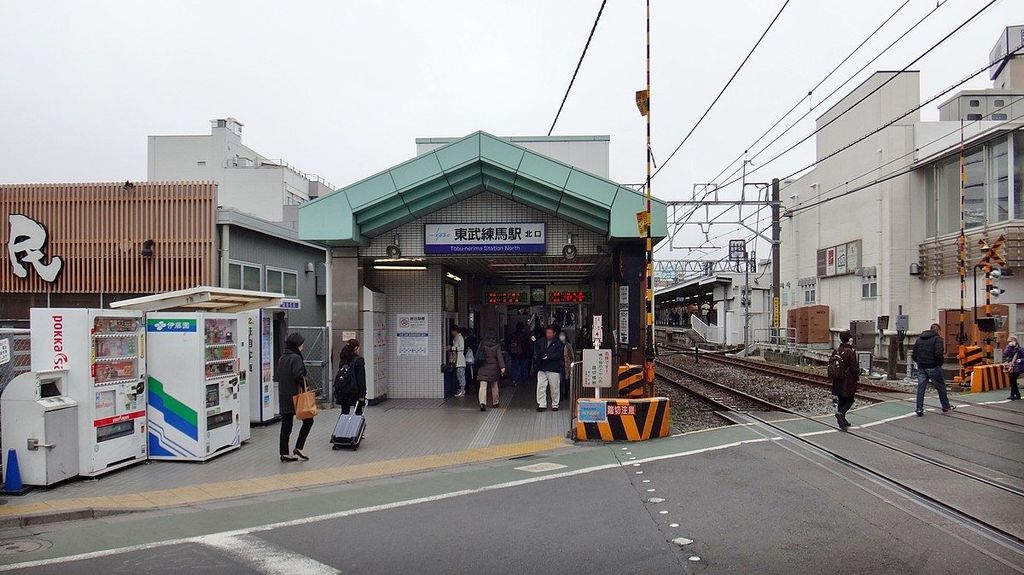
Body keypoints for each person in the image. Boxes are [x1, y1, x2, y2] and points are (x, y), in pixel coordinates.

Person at [277, 332, 313, 462]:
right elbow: (298, 375)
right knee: (309, 421)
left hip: (283, 394)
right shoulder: (296, 358)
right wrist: (306, 384)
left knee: (286, 424)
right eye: (302, 344)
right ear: (297, 345)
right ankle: (299, 447)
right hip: (297, 395)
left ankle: (284, 453)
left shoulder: (282, 358)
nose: (303, 346)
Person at [912, 323, 953, 416]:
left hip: (922, 367)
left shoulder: (919, 339)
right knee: (941, 387)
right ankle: (945, 407)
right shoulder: (937, 340)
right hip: (933, 366)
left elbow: (914, 354)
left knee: (921, 388)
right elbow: (939, 353)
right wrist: (938, 364)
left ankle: (919, 409)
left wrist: (919, 362)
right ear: (937, 330)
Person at [830, 331, 859, 429]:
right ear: (849, 339)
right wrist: (856, 378)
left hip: (837, 379)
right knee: (850, 400)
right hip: (848, 380)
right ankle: (841, 413)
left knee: (841, 399)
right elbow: (854, 367)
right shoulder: (850, 352)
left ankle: (842, 419)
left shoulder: (836, 350)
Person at [534, 326, 565, 412]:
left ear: (554, 333)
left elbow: (559, 354)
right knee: (541, 386)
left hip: (553, 367)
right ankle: (541, 404)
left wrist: (548, 356)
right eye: (547, 333)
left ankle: (555, 404)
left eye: (550, 333)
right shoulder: (541, 341)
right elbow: (537, 352)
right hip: (542, 367)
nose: (548, 335)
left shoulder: (558, 343)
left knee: (554, 387)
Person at [475, 330, 505, 411]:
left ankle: (482, 403)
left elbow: (478, 354)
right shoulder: (497, 345)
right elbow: (499, 357)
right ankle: (495, 402)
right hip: (494, 368)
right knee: (494, 386)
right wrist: (502, 367)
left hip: (483, 367)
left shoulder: (482, 343)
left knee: (483, 386)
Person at [335, 338, 366, 415]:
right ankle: (356, 427)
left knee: (344, 413)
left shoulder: (343, 360)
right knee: (358, 413)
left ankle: (343, 427)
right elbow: (361, 378)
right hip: (355, 391)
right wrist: (362, 394)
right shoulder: (359, 360)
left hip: (343, 390)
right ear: (356, 348)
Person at [447, 325, 467, 397]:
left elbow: (462, 348)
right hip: (457, 360)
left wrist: (452, 347)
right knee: (459, 376)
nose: (452, 333)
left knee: (461, 376)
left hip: (460, 361)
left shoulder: (460, 337)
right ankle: (461, 389)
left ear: (455, 331)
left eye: (452, 331)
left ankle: (462, 390)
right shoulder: (456, 338)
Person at [1003, 336, 1023, 400]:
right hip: (1011, 366)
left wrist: (1020, 360)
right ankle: (1016, 394)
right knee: (1012, 381)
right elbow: (1005, 354)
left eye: (1012, 341)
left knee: (1013, 380)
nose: (1010, 342)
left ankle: (1014, 394)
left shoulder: (1021, 349)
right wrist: (1009, 347)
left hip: (1019, 367)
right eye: (1009, 341)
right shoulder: (1010, 348)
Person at [559, 329, 574, 400]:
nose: (562, 336)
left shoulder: (568, 345)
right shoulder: (556, 344)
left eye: (563, 335)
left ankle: (566, 393)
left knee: (566, 380)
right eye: (560, 335)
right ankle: (561, 394)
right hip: (559, 365)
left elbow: (571, 355)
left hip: (567, 364)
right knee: (560, 380)